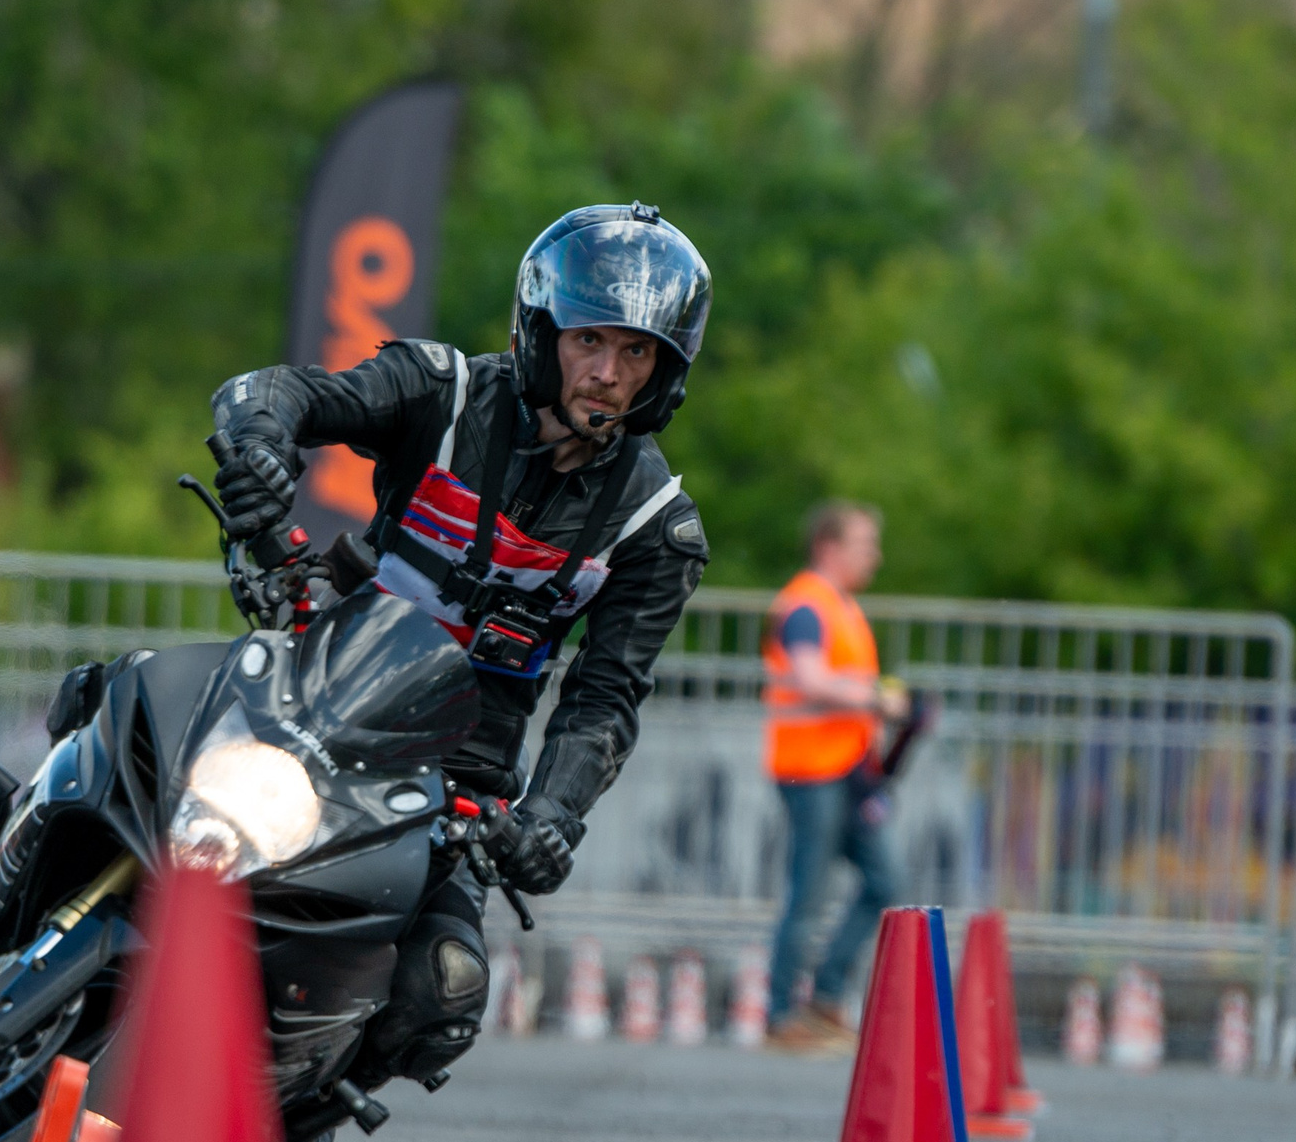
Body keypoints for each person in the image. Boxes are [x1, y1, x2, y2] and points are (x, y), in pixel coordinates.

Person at [206, 202, 712, 1095]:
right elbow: (278, 391)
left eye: (637, 354)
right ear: (542, 331)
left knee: (446, 989)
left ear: (664, 374)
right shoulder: (437, 392)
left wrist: (553, 816)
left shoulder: (653, 526)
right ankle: (8, 876)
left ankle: (289, 1126)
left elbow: (605, 699)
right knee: (120, 713)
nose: (607, 372)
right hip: (310, 690)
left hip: (457, 775)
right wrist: (258, 450)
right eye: (591, 340)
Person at [762, 501, 916, 1051]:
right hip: (811, 770)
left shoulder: (840, 607)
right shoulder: (807, 605)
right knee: (809, 891)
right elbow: (808, 678)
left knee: (886, 883)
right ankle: (782, 1015)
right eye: (864, 544)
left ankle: (825, 995)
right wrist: (879, 699)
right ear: (830, 547)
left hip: (845, 771)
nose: (873, 555)